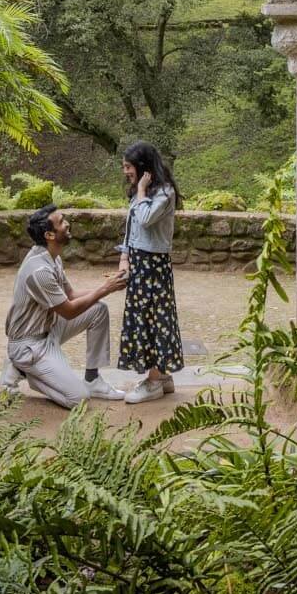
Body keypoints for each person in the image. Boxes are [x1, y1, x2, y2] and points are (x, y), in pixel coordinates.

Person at [1, 204, 127, 407]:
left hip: (48, 329)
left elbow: (70, 295)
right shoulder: (39, 270)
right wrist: (105, 289)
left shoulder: (52, 256)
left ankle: (93, 379)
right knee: (79, 399)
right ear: (49, 235)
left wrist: (107, 285)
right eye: (61, 222)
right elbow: (68, 311)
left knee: (98, 309)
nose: (67, 223)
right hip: (30, 345)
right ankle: (24, 370)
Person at [116, 141, 184, 405]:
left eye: (128, 166)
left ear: (143, 167)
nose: (125, 171)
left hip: (153, 266)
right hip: (139, 262)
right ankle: (162, 376)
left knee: (155, 320)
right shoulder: (142, 192)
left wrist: (142, 189)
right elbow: (132, 224)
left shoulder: (164, 193)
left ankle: (154, 381)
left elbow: (145, 218)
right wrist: (124, 258)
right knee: (143, 319)